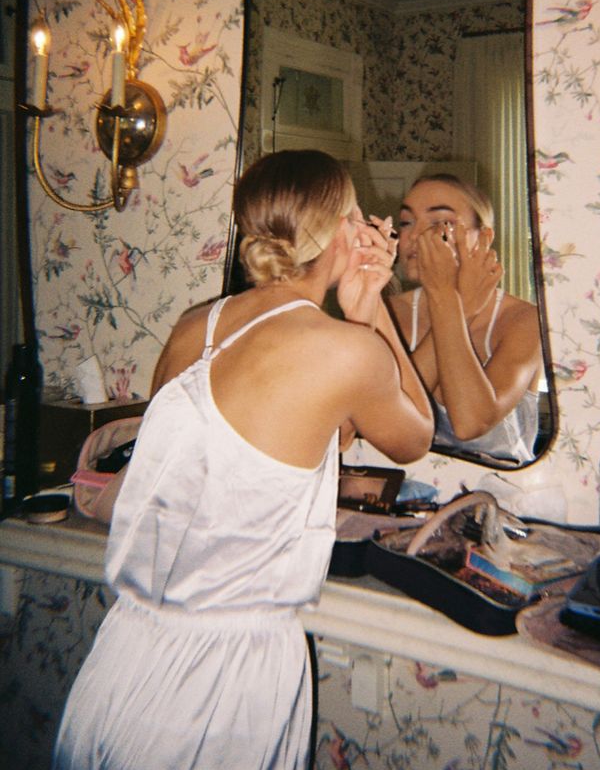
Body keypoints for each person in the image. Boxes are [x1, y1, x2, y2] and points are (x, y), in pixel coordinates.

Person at [53, 149, 433, 770]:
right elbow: (416, 437)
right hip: (222, 691)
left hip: (122, 660)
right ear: (341, 230)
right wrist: (373, 311)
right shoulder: (344, 350)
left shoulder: (193, 326)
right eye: (357, 216)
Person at [387, 174, 543, 465]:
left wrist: (450, 302)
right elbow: (391, 415)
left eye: (439, 223)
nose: (416, 236)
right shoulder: (390, 314)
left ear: (483, 238)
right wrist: (461, 308)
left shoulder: (524, 321)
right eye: (406, 222)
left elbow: (471, 422)